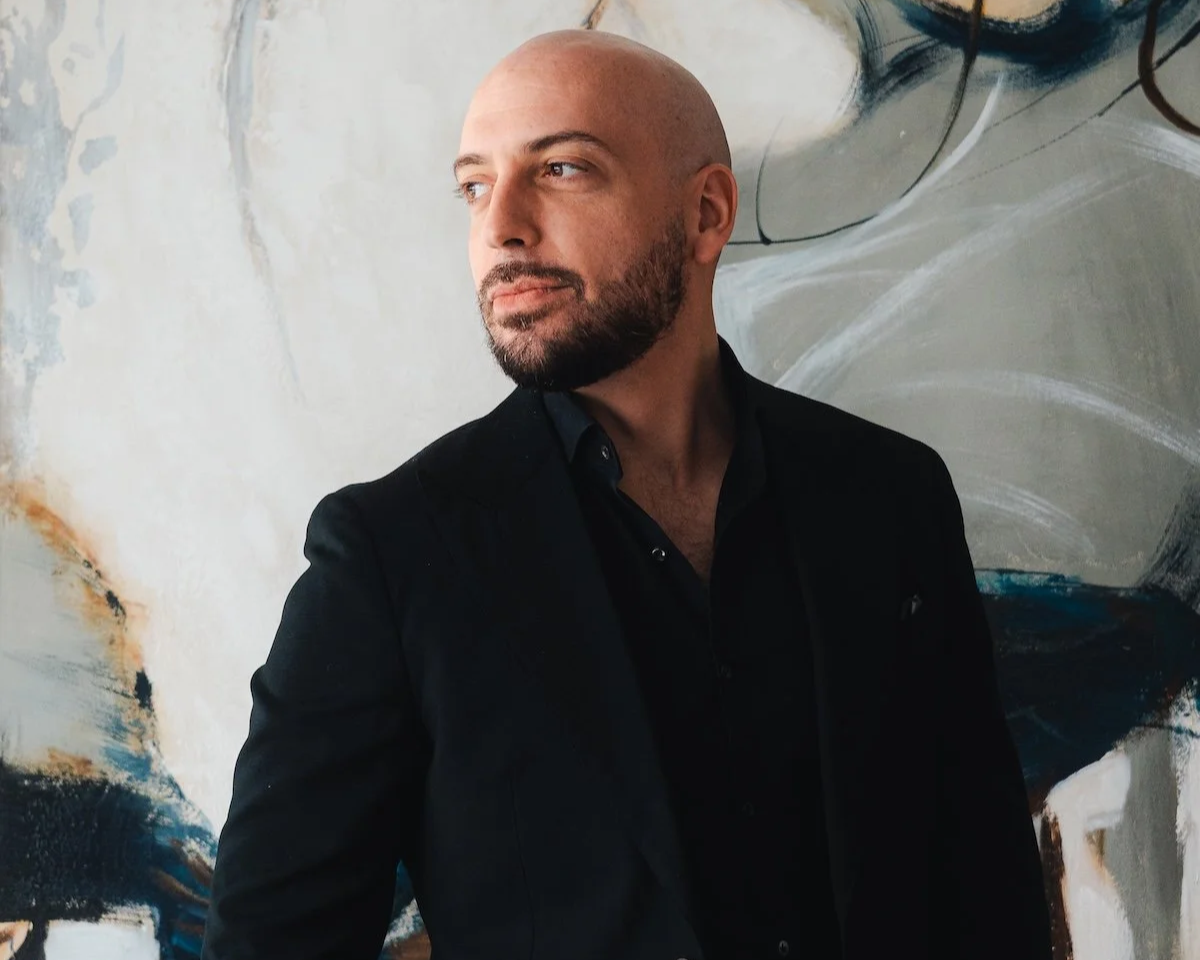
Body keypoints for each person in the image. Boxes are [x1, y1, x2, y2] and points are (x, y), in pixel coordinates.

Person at [200, 29, 1051, 960]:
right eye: (475, 186)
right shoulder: (391, 557)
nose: (501, 227)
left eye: (561, 169)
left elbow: (989, 899)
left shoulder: (889, 497)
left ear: (706, 214)